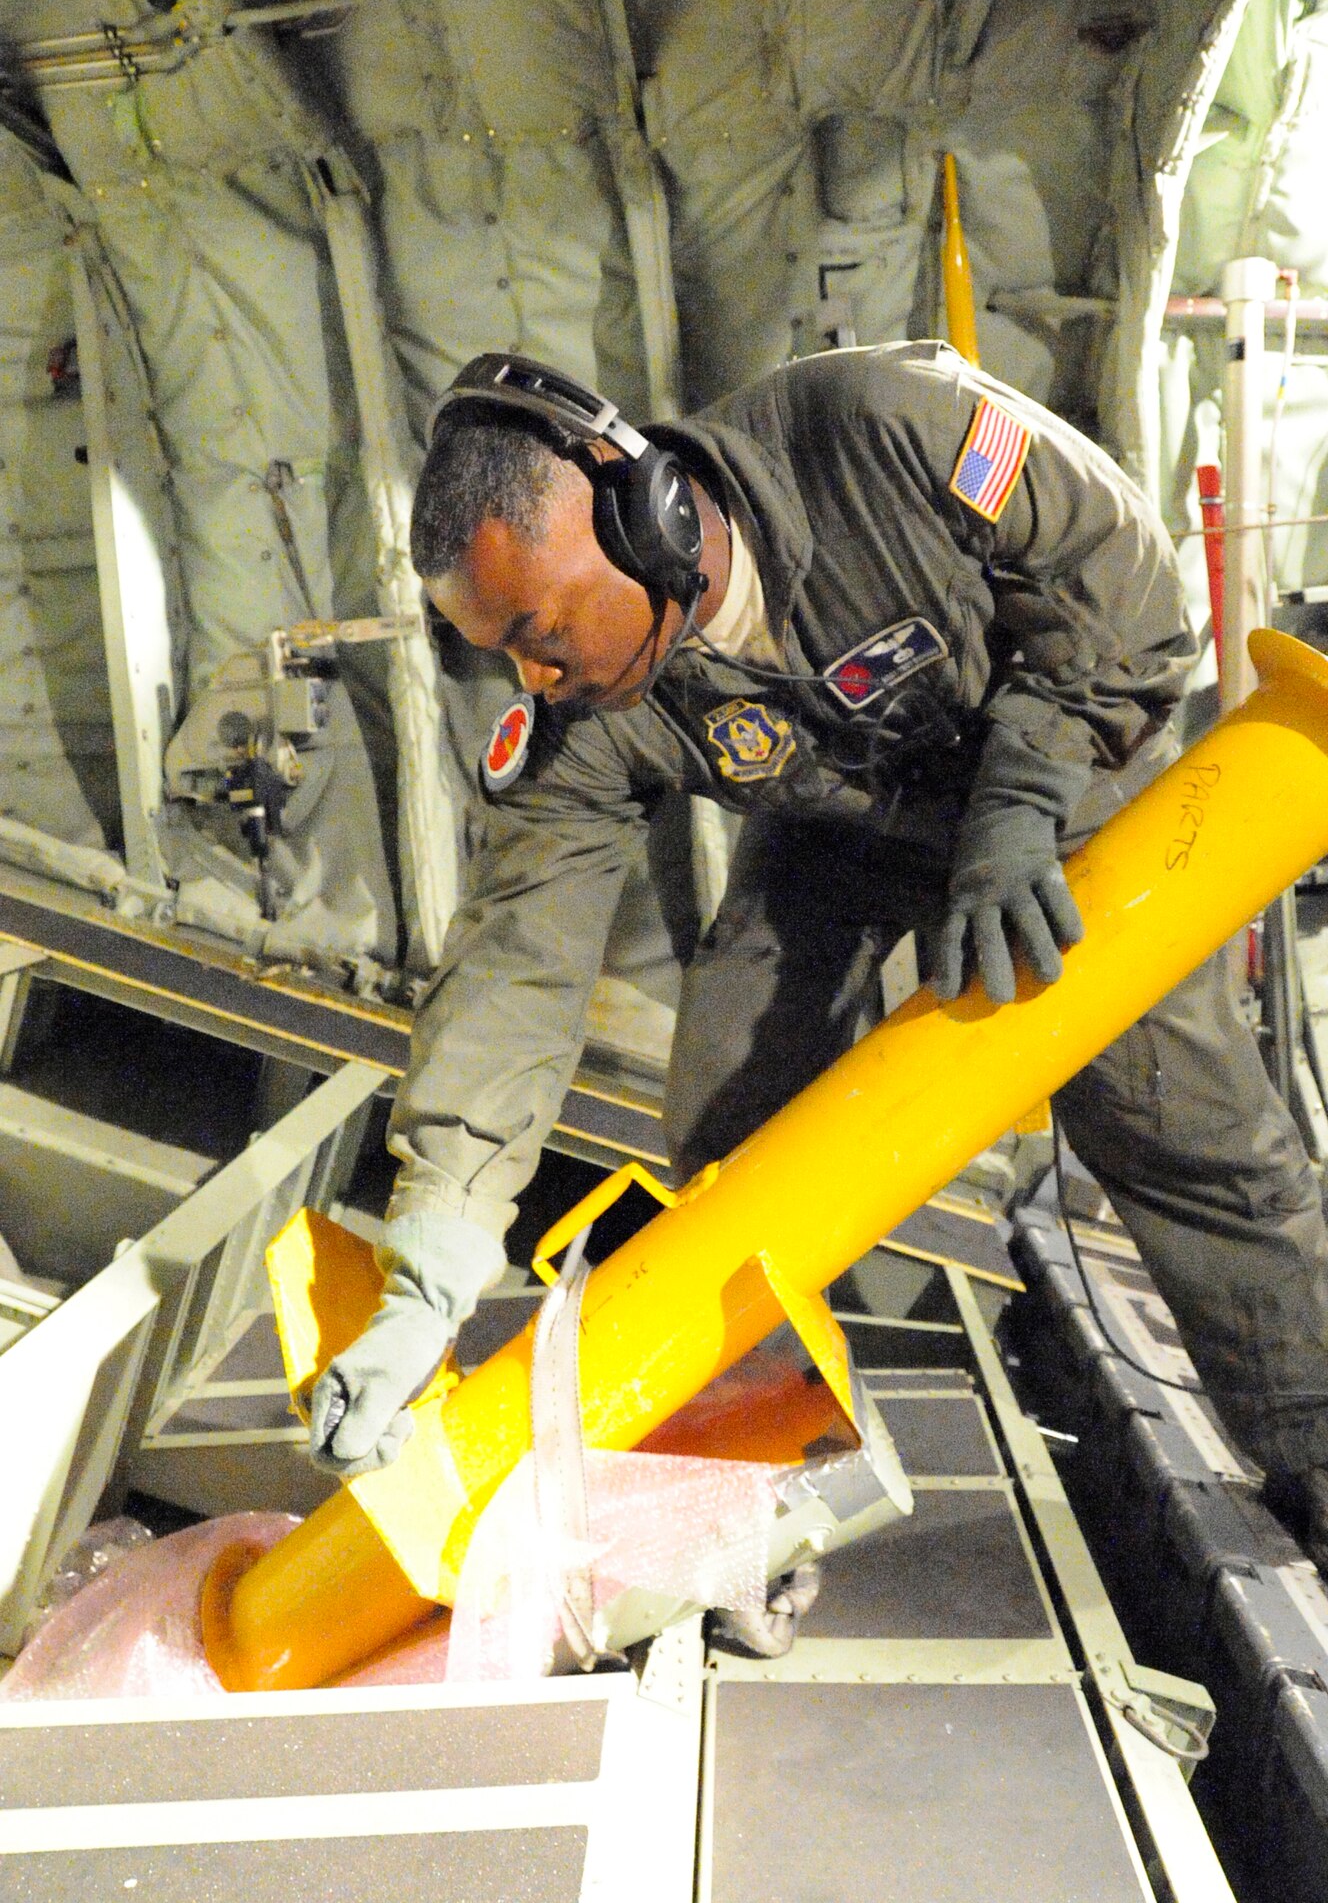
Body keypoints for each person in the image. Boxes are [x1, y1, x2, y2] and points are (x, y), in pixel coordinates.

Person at [308, 341, 1328, 1573]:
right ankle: (739, 1511)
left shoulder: (880, 424)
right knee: (734, 1141)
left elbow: (1123, 581)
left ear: (641, 516)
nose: (536, 671)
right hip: (836, 835)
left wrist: (1022, 792)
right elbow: (514, 961)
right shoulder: (582, 719)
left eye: (537, 627)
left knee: (1187, 1133)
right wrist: (435, 1251)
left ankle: (1317, 1454)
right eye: (504, 654)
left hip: (1051, 792)